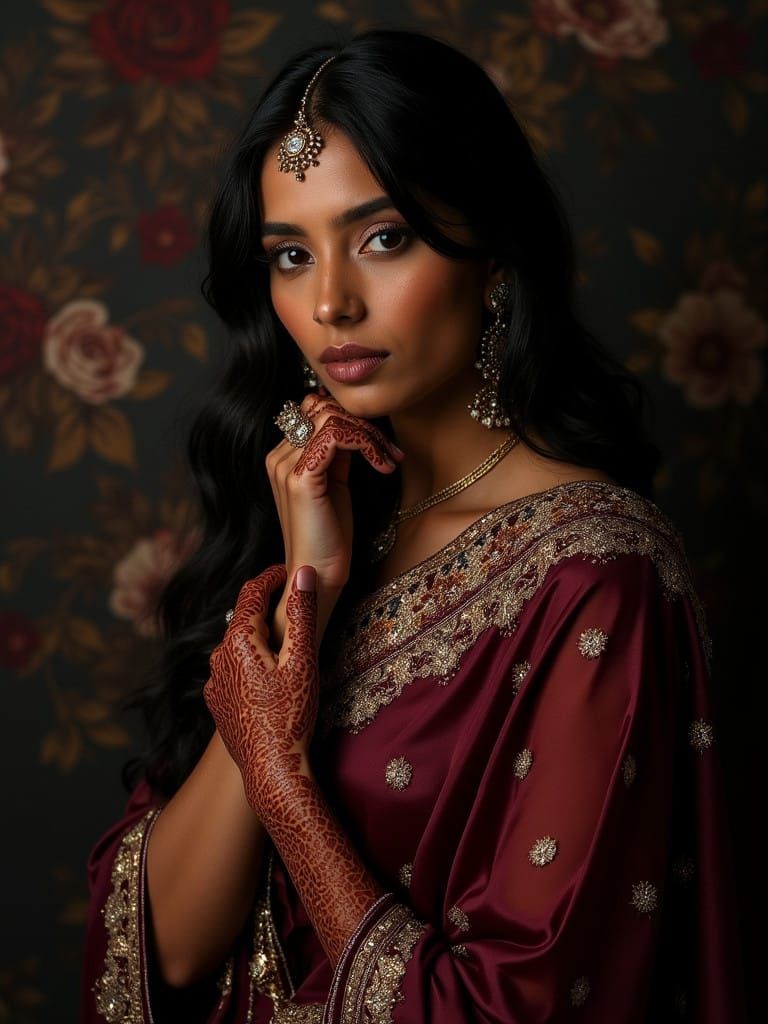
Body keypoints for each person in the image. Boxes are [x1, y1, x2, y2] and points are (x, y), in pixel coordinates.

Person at [80, 28, 747, 1024]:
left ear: (494, 256)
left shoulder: (598, 573)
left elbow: (512, 1007)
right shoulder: (321, 527)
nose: (330, 301)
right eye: (292, 255)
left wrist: (287, 787)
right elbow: (164, 949)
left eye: (383, 236)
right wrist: (310, 586)